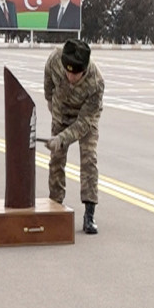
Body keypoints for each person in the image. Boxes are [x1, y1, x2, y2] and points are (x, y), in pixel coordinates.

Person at [44, 39, 104, 234]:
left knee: (89, 159)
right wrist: (51, 104)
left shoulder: (96, 82)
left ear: (84, 70)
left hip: (85, 118)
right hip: (61, 112)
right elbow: (48, 82)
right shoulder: (55, 59)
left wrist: (63, 138)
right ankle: (55, 206)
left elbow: (83, 124)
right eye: (68, 72)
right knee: (56, 160)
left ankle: (89, 213)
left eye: (75, 74)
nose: (70, 77)